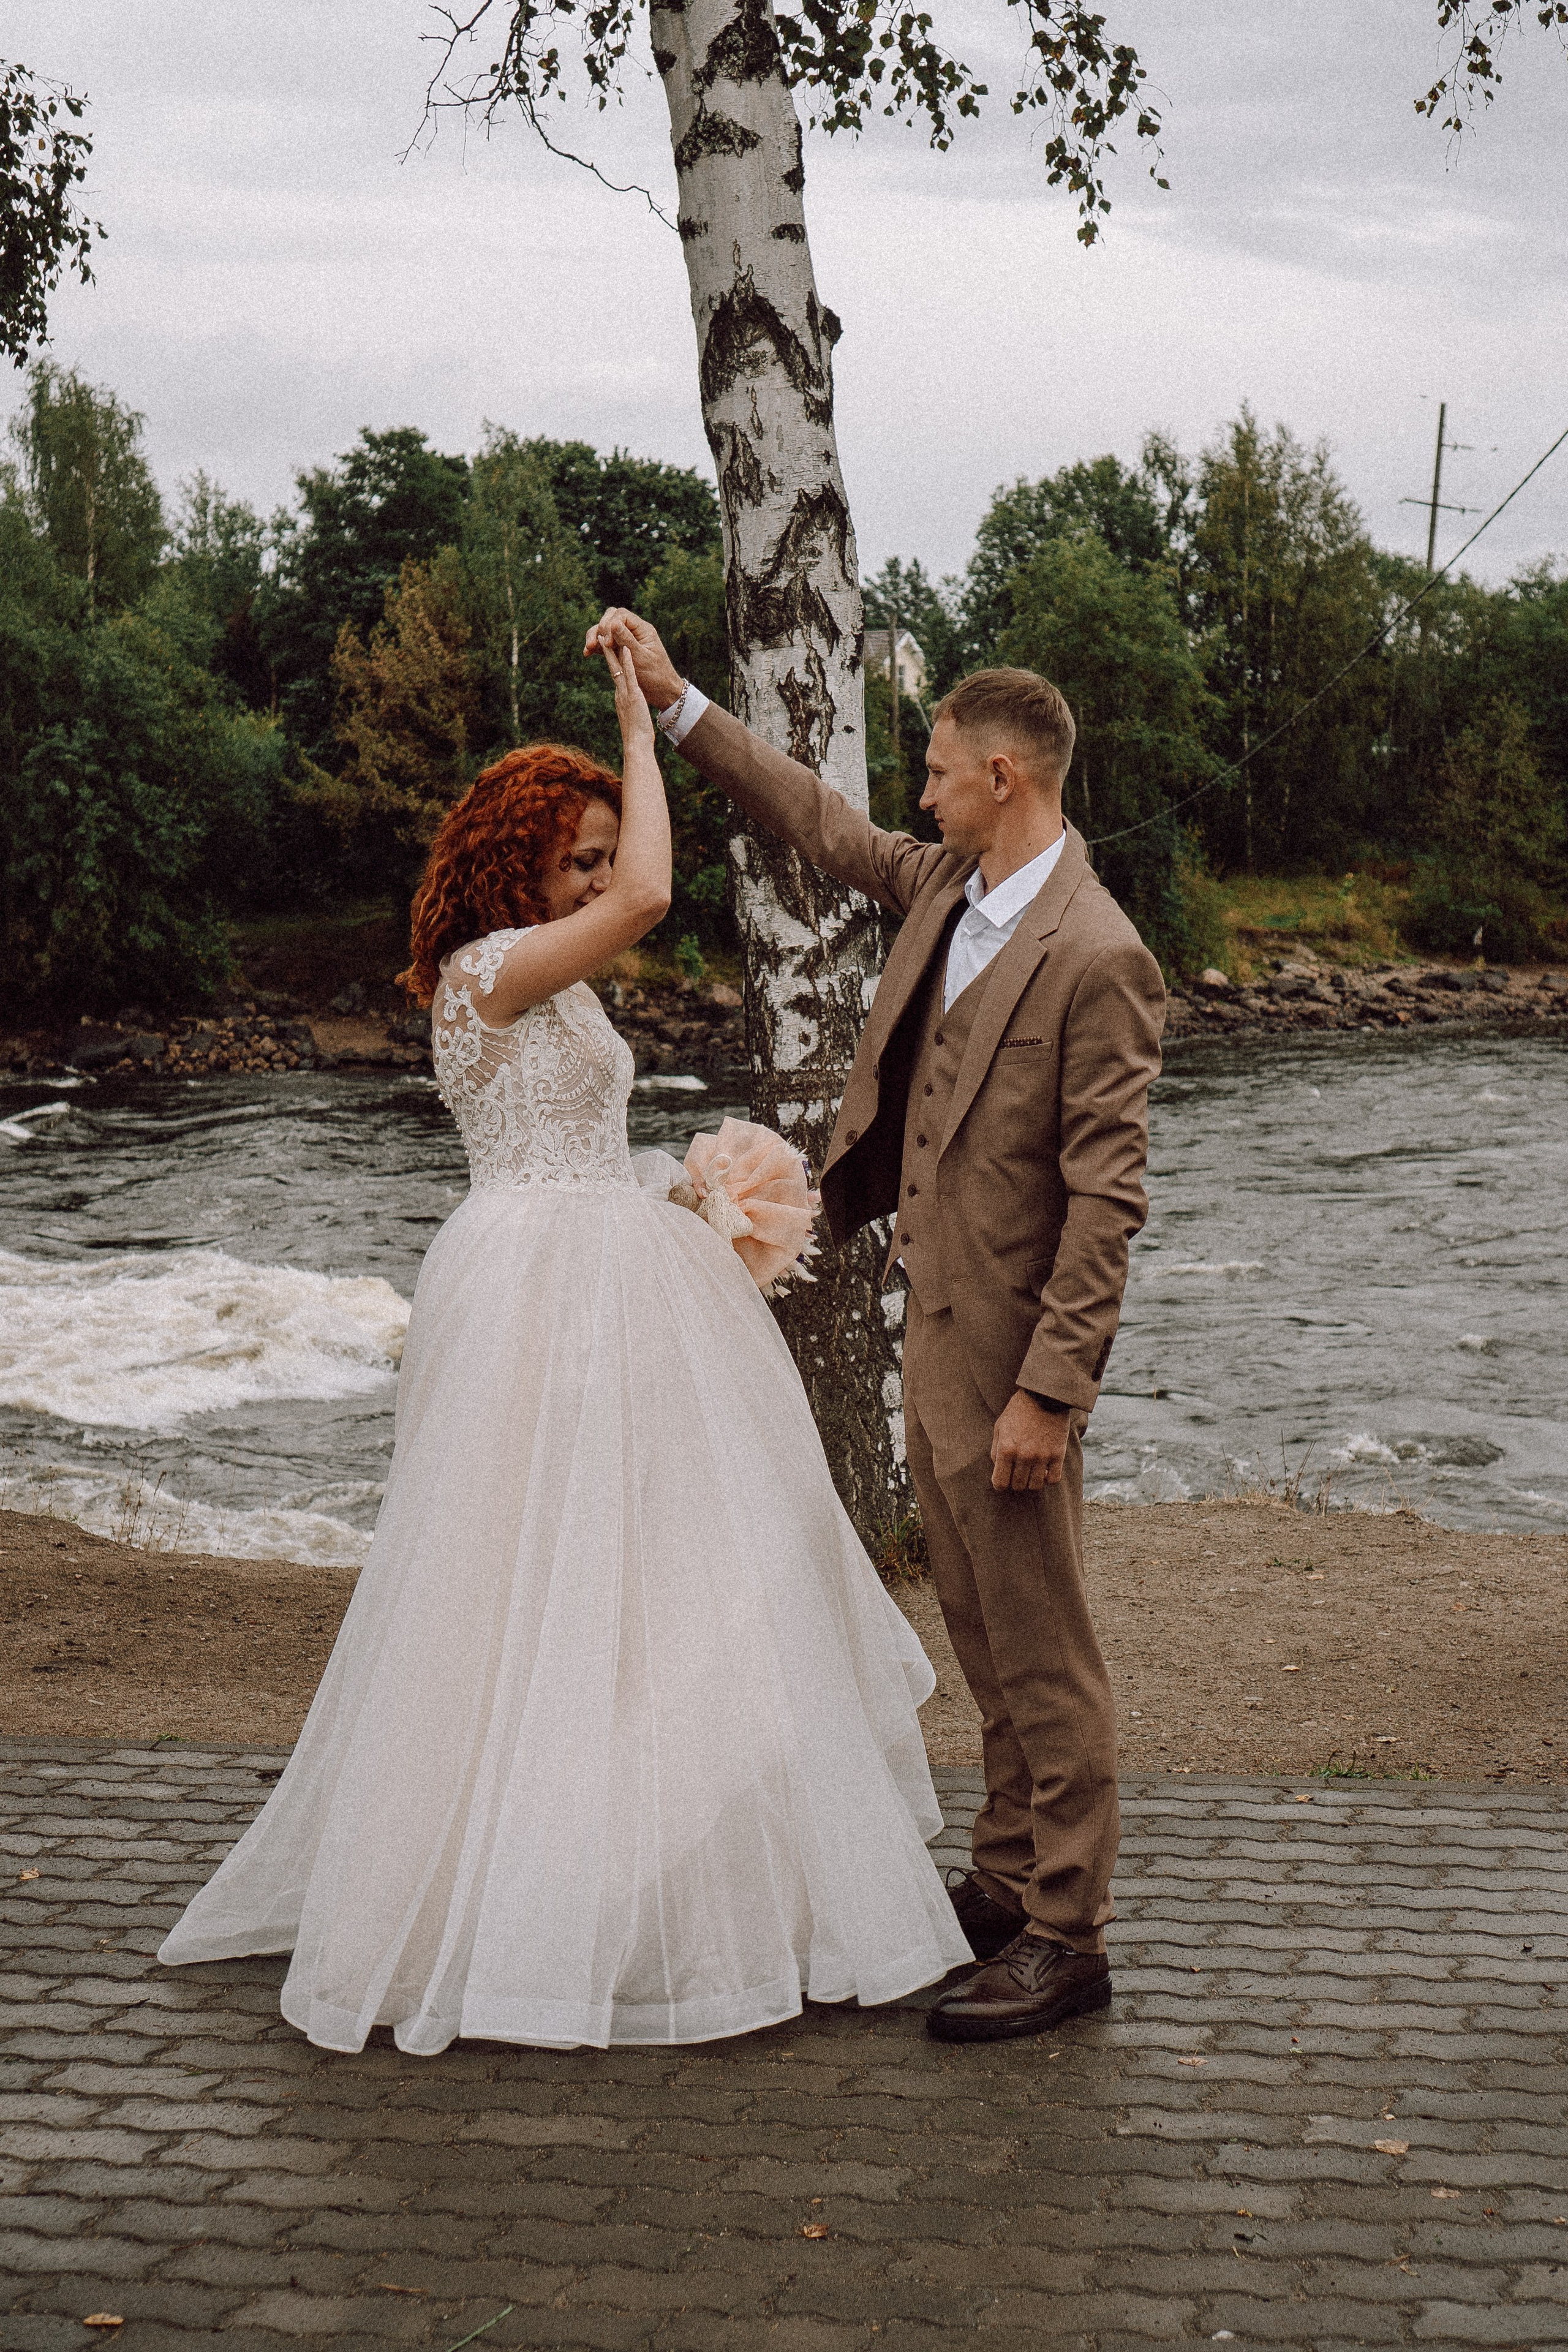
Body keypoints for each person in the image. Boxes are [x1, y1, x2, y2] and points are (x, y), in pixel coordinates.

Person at [158, 637, 971, 2052]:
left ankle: (632, 1870)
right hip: (540, 1282)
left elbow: (574, 1122)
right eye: (576, 860)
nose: (602, 883)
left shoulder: (536, 974)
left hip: (604, 1258)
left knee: (634, 1573)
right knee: (511, 1574)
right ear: (512, 863)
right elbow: (661, 893)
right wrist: (642, 734)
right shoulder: (489, 970)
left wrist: (687, 1192)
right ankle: (504, 1896)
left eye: (602, 856)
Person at [586, 611, 1165, 2045]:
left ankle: (1069, 1937)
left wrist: (1049, 1397)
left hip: (1012, 1357)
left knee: (1045, 1647)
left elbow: (1106, 1205)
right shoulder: (946, 888)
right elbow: (820, 824)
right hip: (931, 1330)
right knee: (977, 1624)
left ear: (1007, 777)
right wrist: (676, 708)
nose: (920, 791)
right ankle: (1003, 1876)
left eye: (939, 770)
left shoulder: (1097, 955)